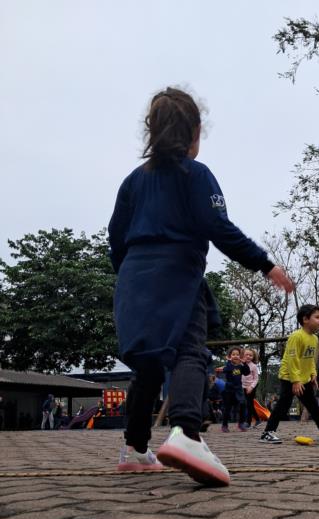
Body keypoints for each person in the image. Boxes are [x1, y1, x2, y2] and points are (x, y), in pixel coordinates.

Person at [108, 87, 293, 482]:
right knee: (189, 351)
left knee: (147, 365)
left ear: (151, 131)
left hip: (134, 280)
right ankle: (187, 435)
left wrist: (131, 281)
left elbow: (115, 238)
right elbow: (217, 227)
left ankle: (135, 449)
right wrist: (265, 264)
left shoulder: (131, 182)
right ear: (194, 131)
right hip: (177, 275)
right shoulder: (197, 174)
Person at [260, 305, 319, 444]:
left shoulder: (315, 339)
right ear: (305, 319)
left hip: (304, 379)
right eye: (317, 317)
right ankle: (267, 433)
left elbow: (311, 359)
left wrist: (313, 375)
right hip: (289, 378)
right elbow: (293, 359)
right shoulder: (296, 336)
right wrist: (295, 381)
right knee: (283, 405)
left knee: (313, 406)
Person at [218, 346, 250, 432]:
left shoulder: (241, 366)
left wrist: (244, 363)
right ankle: (224, 425)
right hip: (229, 389)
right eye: (233, 354)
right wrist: (228, 361)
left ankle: (241, 424)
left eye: (237, 354)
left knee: (243, 405)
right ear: (229, 356)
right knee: (227, 407)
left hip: (238, 389)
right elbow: (227, 369)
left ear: (241, 356)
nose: (235, 356)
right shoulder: (228, 366)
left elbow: (247, 373)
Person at [242, 348, 262, 428]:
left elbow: (256, 379)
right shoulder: (241, 364)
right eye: (246, 354)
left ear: (253, 357)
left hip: (251, 387)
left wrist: (251, 387)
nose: (248, 356)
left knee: (249, 404)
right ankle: (257, 419)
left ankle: (248, 422)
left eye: (250, 355)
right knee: (248, 404)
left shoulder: (253, 366)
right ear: (243, 355)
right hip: (242, 386)